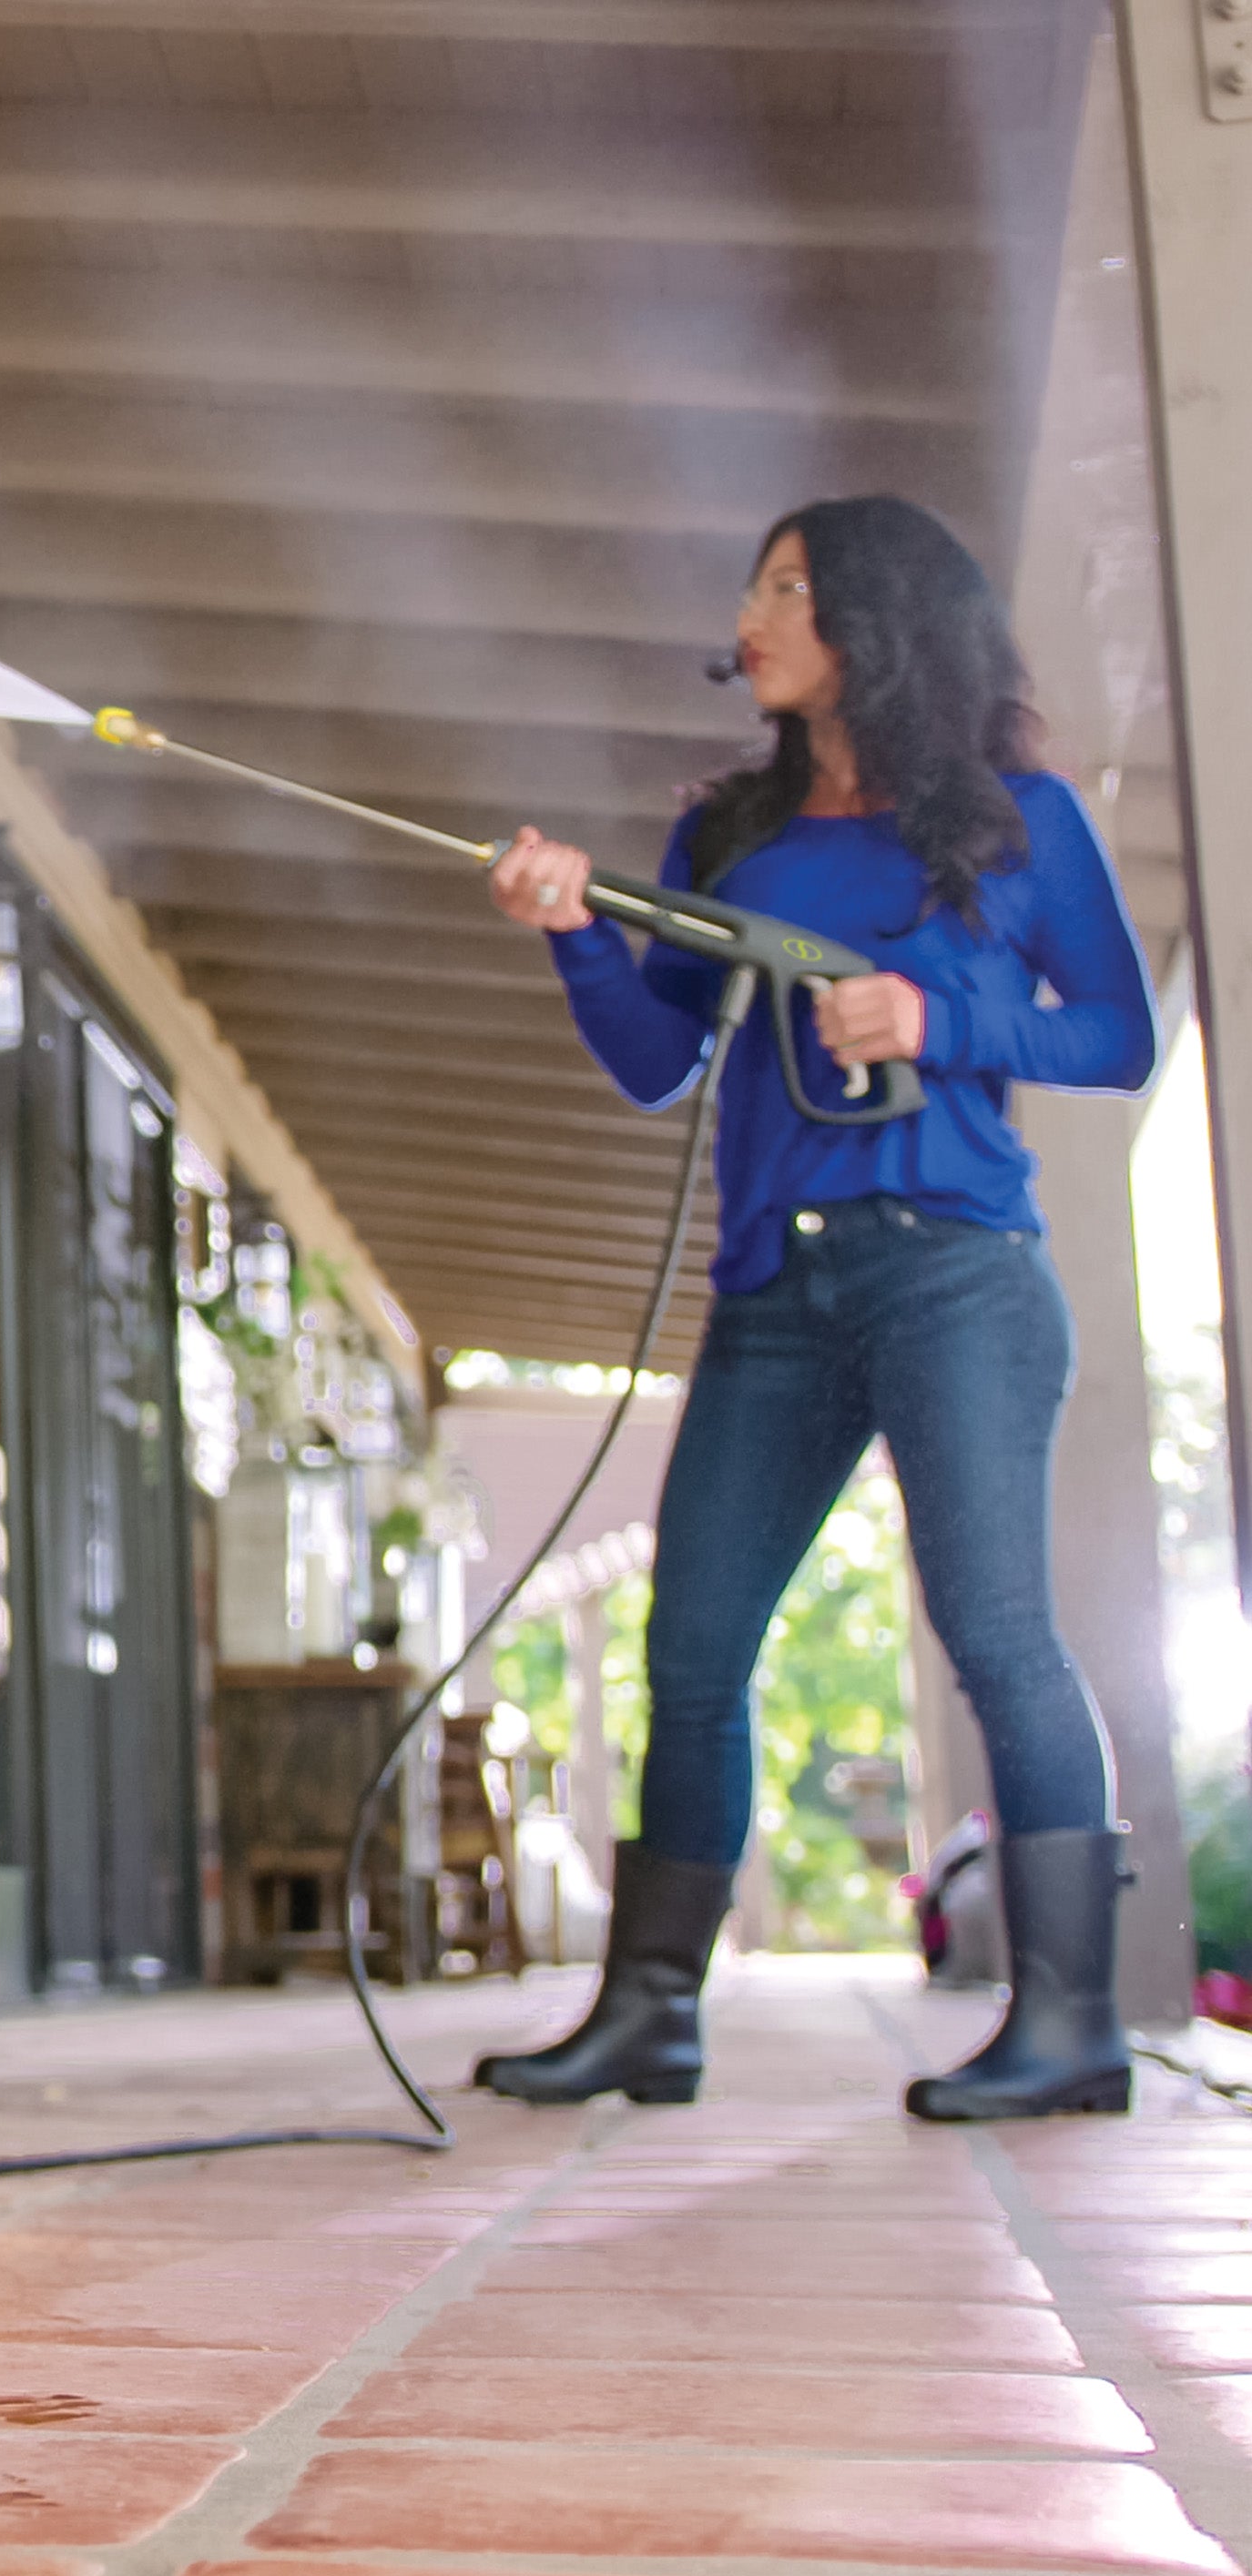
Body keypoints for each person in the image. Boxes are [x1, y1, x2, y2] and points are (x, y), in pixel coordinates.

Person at [478, 494, 1158, 2125]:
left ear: (880, 620)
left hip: (958, 1276)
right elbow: (658, 1060)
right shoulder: (722, 839)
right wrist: (577, 935)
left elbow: (1115, 1034)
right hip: (776, 1288)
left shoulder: (1016, 820)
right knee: (693, 1643)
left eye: (791, 588)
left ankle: (1074, 2027)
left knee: (997, 1635)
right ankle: (651, 2018)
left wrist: (942, 1007)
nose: (755, 614)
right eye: (758, 586)